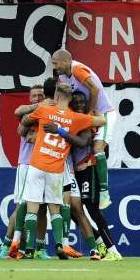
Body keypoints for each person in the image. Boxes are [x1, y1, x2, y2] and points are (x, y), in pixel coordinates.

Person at [19, 83, 106, 259]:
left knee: (33, 207)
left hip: (37, 165)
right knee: (56, 208)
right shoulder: (75, 118)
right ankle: (60, 244)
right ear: (70, 99)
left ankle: (29, 248)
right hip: (56, 168)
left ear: (56, 97)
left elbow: (23, 121)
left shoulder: (44, 111)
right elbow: (102, 121)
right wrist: (92, 114)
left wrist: (38, 112)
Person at [46, 91, 123, 261]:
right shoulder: (72, 119)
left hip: (89, 170)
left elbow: (83, 141)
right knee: (73, 209)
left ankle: (113, 250)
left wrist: (60, 131)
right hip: (76, 172)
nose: (80, 104)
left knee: (92, 209)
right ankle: (99, 242)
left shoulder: (87, 120)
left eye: (83, 101)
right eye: (77, 102)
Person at [52, 49, 115, 210]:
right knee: (86, 144)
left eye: (55, 63)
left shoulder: (77, 69)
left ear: (66, 61)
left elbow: (94, 89)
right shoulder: (62, 77)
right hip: (90, 115)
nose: (54, 66)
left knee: (98, 148)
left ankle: (104, 192)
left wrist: (89, 113)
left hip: (104, 113)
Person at [0, 84, 50, 260]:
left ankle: (40, 248)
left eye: (40, 95)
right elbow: (22, 130)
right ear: (30, 98)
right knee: (21, 206)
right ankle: (7, 244)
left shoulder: (51, 113)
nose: (37, 98)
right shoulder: (27, 113)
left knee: (42, 208)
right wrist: (37, 109)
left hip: (46, 164)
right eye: (34, 95)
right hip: (27, 164)